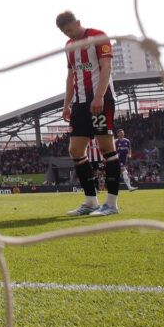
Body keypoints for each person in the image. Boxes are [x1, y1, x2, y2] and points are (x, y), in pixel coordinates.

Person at [56, 11, 122, 216]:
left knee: (105, 147)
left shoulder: (98, 36)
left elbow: (106, 67)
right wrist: (67, 104)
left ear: (78, 23)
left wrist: (99, 97)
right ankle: (91, 201)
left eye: (70, 29)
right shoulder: (69, 46)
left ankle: (111, 203)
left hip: (100, 99)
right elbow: (70, 76)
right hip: (79, 104)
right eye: (65, 32)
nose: (69, 34)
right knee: (76, 151)